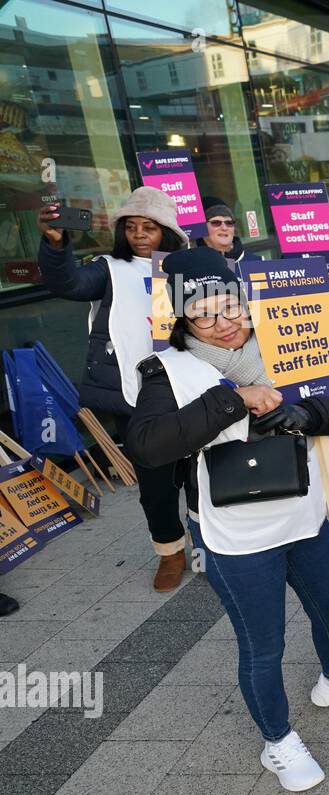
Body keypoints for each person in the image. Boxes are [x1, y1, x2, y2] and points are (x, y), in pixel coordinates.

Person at [126, 247, 329, 792]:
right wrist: (235, 400)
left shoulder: (290, 339)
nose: (226, 325)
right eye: (206, 314)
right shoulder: (167, 371)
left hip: (304, 515)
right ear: (180, 318)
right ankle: (278, 740)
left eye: (234, 308)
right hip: (235, 535)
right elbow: (148, 447)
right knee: (262, 644)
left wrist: (308, 413)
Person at [37, 186, 191, 591]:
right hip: (137, 393)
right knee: (155, 485)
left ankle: (209, 546)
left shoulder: (186, 266)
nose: (140, 234)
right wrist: (56, 244)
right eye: (132, 226)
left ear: (166, 233)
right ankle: (170, 552)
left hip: (191, 386)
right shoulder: (107, 269)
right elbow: (69, 284)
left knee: (199, 476)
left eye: (150, 227)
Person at [194, 197, 260, 264]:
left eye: (229, 223)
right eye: (216, 222)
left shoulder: (257, 263)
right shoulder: (190, 266)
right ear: (201, 227)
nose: (224, 228)